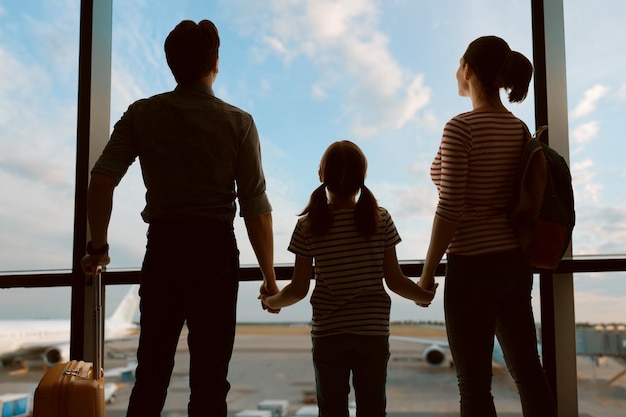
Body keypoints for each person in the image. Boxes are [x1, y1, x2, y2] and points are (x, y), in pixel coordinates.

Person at [80, 19, 279, 417]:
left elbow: (101, 182)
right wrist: (270, 278)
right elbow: (255, 209)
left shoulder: (143, 113)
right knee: (209, 382)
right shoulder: (238, 122)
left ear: (171, 64)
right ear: (215, 63)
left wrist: (98, 248)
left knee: (151, 374)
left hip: (165, 249)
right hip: (214, 254)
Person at [418, 36, 556, 416]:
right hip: (513, 261)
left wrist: (428, 274)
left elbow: (449, 208)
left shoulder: (460, 128)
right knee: (528, 371)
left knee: (474, 384)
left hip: (472, 264)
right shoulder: (519, 130)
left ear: (468, 70)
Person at [260, 140, 437, 417]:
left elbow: (298, 289)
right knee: (373, 408)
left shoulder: (308, 225)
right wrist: (423, 295)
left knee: (331, 409)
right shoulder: (380, 219)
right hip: (373, 333)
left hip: (329, 333)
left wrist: (272, 300)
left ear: (321, 176)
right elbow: (395, 280)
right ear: (362, 178)